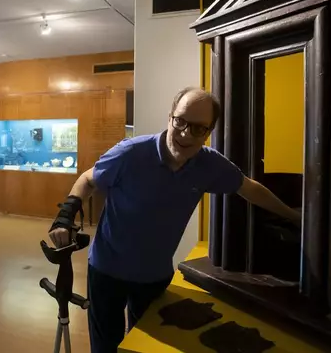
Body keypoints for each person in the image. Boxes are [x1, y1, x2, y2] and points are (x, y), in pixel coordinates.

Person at [48, 87, 301, 352]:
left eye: (198, 128)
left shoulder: (210, 165)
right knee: (105, 347)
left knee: (145, 345)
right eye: (180, 121)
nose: (185, 134)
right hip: (107, 270)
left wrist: (295, 217)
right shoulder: (130, 153)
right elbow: (88, 178)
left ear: (208, 132)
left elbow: (249, 188)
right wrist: (66, 214)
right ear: (170, 117)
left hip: (154, 275)